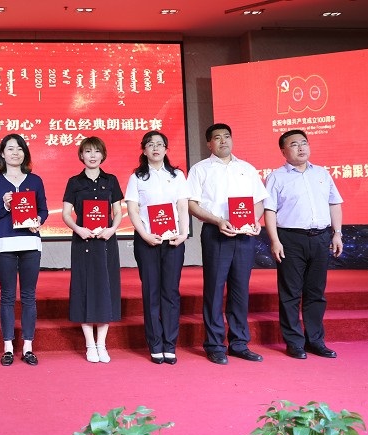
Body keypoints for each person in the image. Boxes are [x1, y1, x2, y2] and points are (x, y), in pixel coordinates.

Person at [187, 123, 269, 365]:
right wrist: (217, 220)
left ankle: (239, 343)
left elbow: (259, 201)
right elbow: (192, 204)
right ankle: (214, 345)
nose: (223, 141)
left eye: (227, 136)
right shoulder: (200, 169)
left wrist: (254, 220)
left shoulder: (247, 168)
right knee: (214, 289)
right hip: (216, 233)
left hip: (244, 235)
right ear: (209, 144)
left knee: (240, 289)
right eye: (217, 138)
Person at [263, 129, 343, 359]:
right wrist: (275, 240)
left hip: (320, 238)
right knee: (290, 293)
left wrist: (337, 234)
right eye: (294, 144)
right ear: (283, 151)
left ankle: (315, 341)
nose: (301, 148)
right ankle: (294, 342)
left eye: (304, 143)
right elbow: (270, 211)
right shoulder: (276, 177)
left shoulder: (322, 173)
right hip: (290, 239)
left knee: (316, 292)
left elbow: (334, 204)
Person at [124, 131, 190, 365]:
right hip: (147, 241)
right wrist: (145, 235)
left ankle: (170, 344)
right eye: (150, 145)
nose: (155, 148)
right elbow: (133, 209)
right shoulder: (137, 177)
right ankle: (155, 344)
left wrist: (184, 233)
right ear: (144, 150)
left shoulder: (177, 175)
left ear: (166, 149)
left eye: (160, 144)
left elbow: (182, 207)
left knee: (170, 292)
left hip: (173, 241)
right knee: (151, 292)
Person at [0, 134, 48, 366]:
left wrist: (38, 220)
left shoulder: (35, 180)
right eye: (10, 149)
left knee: (29, 296)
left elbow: (43, 210)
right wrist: (4, 205)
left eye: (19, 148)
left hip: (30, 243)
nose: (15, 153)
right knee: (8, 296)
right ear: (2, 153)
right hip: (5, 245)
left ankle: (28, 347)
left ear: (25, 153)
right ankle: (8, 347)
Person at [62, 136, 123, 363]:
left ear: (103, 155)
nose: (92, 155)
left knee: (106, 289)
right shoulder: (74, 182)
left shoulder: (111, 180)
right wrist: (78, 229)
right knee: (84, 290)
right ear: (81, 155)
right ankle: (90, 344)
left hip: (106, 242)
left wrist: (112, 229)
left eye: (97, 151)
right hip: (83, 242)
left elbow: (118, 211)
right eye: (88, 151)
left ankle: (102, 344)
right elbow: (66, 214)